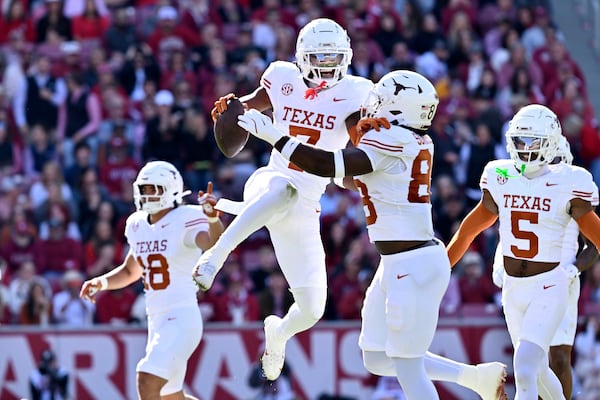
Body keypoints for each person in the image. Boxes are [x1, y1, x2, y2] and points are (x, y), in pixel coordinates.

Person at [237, 70, 507, 399]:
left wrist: (277, 138)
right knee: (377, 357)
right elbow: (351, 174)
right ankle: (475, 378)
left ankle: (475, 380)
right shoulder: (413, 139)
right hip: (399, 261)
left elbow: (327, 165)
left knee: (407, 368)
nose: (372, 106)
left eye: (381, 101)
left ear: (396, 108)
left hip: (412, 262)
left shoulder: (390, 140)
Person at [193, 18, 374, 381]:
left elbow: (357, 161)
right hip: (271, 179)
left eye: (332, 57)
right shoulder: (281, 76)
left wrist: (369, 156)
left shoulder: (357, 93)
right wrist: (229, 113)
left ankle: (277, 334)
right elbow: (239, 122)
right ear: (302, 57)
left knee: (311, 310)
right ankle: (214, 257)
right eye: (319, 57)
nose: (326, 65)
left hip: (308, 204)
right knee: (283, 191)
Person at [446, 104, 600, 400]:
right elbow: (470, 230)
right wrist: (444, 267)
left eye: (534, 142)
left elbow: (596, 238)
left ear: (553, 142)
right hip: (514, 289)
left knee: (529, 368)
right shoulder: (500, 174)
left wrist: (576, 268)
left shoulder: (569, 180)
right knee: (538, 370)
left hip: (551, 283)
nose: (526, 149)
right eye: (521, 141)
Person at [80, 161, 224, 400]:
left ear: (170, 189)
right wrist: (102, 282)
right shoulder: (137, 224)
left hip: (180, 317)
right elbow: (130, 271)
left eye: (153, 189)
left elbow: (212, 243)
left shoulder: (186, 217)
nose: (146, 194)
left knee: (146, 380)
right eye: (143, 189)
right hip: (157, 320)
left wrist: (212, 220)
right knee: (171, 397)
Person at [491, 135, 599, 399]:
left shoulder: (573, 192)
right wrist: (499, 260)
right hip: (527, 282)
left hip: (561, 279)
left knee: (559, 356)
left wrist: (575, 268)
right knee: (531, 359)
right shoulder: (522, 185)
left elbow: (594, 244)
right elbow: (509, 231)